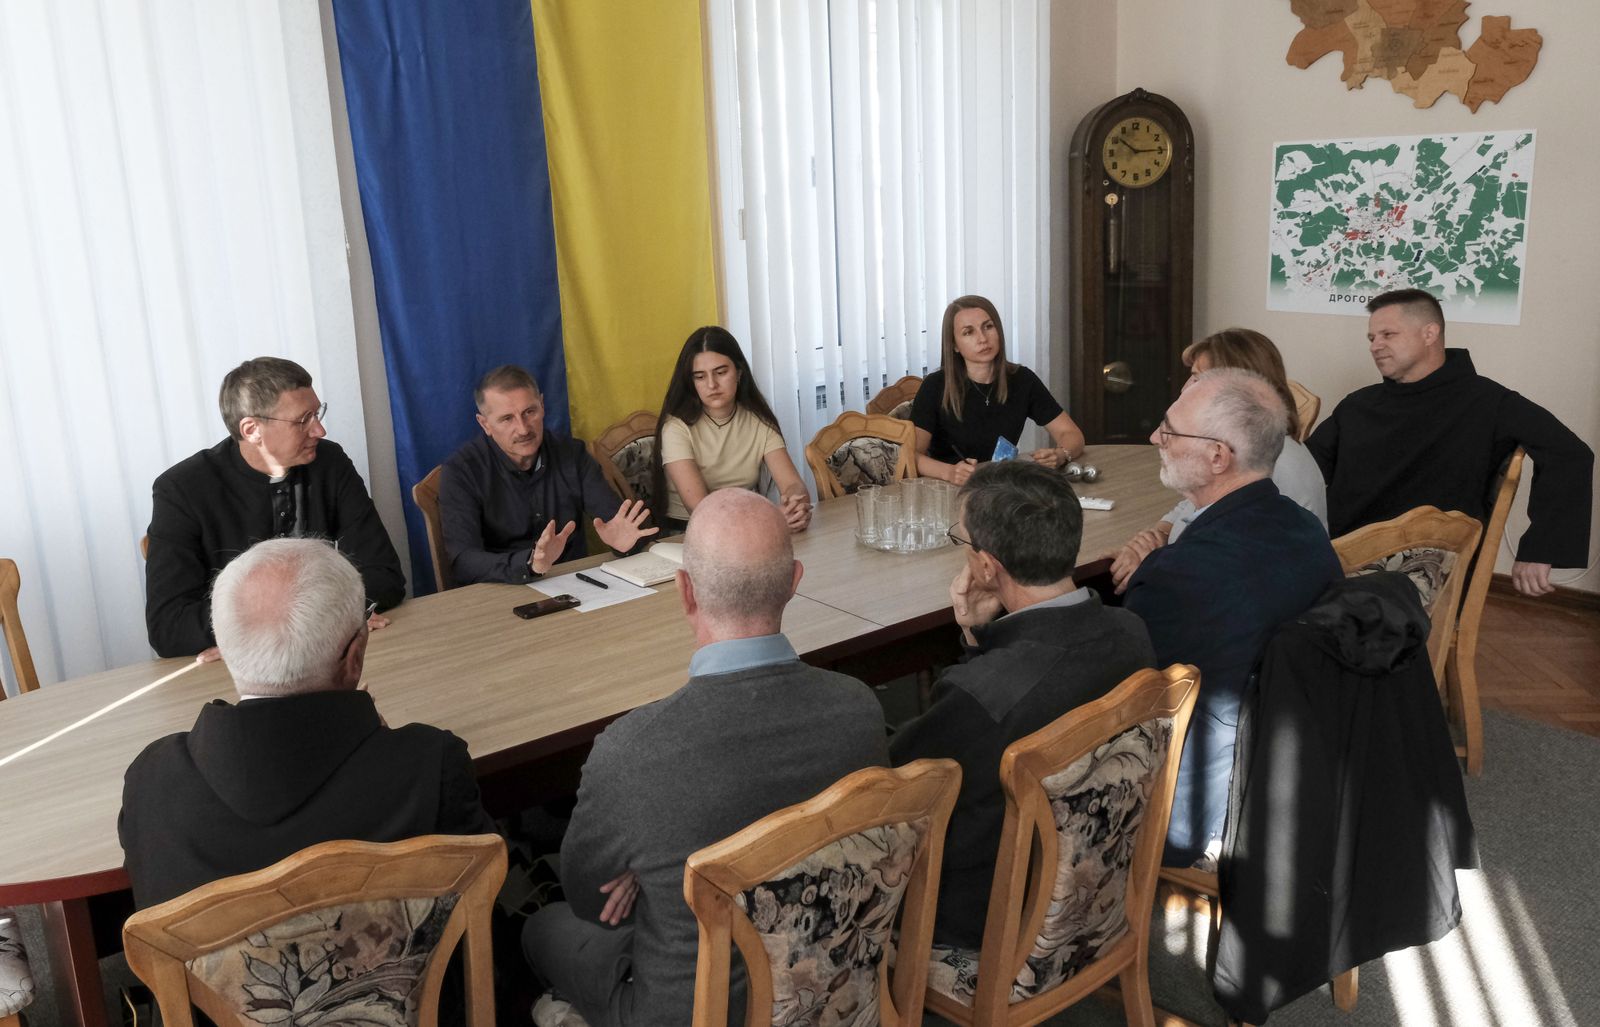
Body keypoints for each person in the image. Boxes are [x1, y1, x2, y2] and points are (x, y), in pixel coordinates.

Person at [522, 489, 888, 1026]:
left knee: (541, 928)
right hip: (834, 986)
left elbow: (587, 900)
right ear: (794, 583)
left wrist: (650, 872)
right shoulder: (860, 710)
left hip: (690, 1012)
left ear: (685, 590)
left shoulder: (630, 750)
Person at [119, 538, 495, 909]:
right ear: (356, 655)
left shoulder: (151, 780)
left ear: (225, 648)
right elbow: (482, 898)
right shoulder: (429, 765)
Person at [888, 461, 1154, 948]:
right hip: (1092, 885)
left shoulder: (984, 694)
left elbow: (896, 780)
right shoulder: (1132, 633)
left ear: (987, 566)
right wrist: (981, 639)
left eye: (962, 541)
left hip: (986, 912)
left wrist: (973, 645)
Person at [1122, 368, 1341, 868]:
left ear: (1218, 457)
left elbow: (1121, 696)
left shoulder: (1180, 576)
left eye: (1170, 430)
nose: (1156, 437)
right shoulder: (1306, 531)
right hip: (1294, 768)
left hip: (1199, 804)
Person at [1308, 288, 1593, 597]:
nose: (1376, 346)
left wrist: (1540, 548)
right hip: (1335, 550)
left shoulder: (1487, 402)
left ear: (1430, 333)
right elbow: (1308, 465)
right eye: (1371, 338)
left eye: (1388, 334)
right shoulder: (1358, 405)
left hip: (1418, 567)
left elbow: (1569, 453)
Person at [145, 357, 404, 659]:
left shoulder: (329, 463)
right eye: (303, 419)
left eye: (317, 413)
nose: (319, 430)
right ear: (252, 429)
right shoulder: (180, 490)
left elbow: (384, 576)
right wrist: (327, 615)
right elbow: (169, 627)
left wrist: (260, 625)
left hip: (331, 657)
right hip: (239, 675)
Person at [1110, 328, 1328, 592]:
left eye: (1197, 379)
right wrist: (1156, 535)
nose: (1184, 388)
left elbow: (1235, 569)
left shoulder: (1268, 463)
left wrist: (1152, 562)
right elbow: (1193, 507)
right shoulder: (1249, 450)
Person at [439, 365, 657, 585]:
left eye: (529, 412)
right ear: (485, 424)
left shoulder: (573, 454)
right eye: (507, 419)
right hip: (499, 590)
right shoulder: (461, 471)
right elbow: (464, 561)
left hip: (575, 584)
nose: (523, 429)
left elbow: (622, 525)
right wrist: (529, 563)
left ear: (542, 406)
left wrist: (627, 544)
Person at [650, 326, 812, 532]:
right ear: (691, 382)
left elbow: (793, 484)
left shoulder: (759, 420)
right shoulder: (676, 428)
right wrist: (769, 519)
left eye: (721, 372)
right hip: (688, 532)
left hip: (747, 529)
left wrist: (795, 504)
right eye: (700, 377)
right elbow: (701, 509)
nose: (712, 384)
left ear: (739, 372)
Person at [911, 295, 1086, 485]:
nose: (983, 338)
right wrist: (950, 472)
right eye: (968, 332)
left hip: (1000, 487)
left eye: (988, 327)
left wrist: (1060, 455)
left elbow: (1071, 434)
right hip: (947, 488)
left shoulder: (1022, 379)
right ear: (954, 345)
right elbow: (911, 455)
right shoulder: (935, 385)